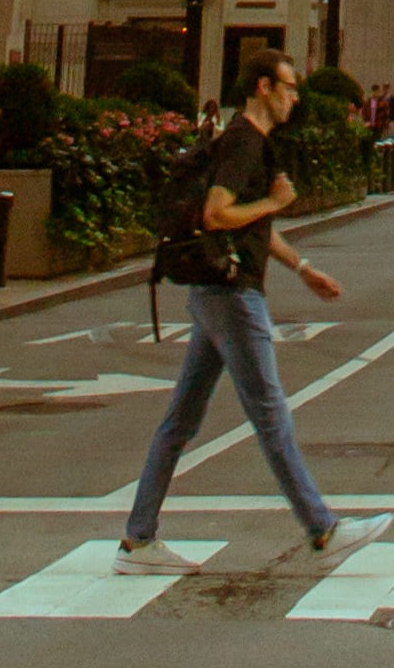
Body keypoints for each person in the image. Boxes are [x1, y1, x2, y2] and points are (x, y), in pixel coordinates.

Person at [119, 53, 347, 570]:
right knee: (270, 416)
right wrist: (274, 202)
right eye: (289, 87)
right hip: (231, 292)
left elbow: (246, 226)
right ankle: (323, 529)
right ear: (263, 87)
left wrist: (301, 266)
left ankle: (138, 539)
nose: (295, 97)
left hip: (213, 292)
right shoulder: (246, 141)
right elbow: (218, 213)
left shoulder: (242, 139)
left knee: (180, 422)